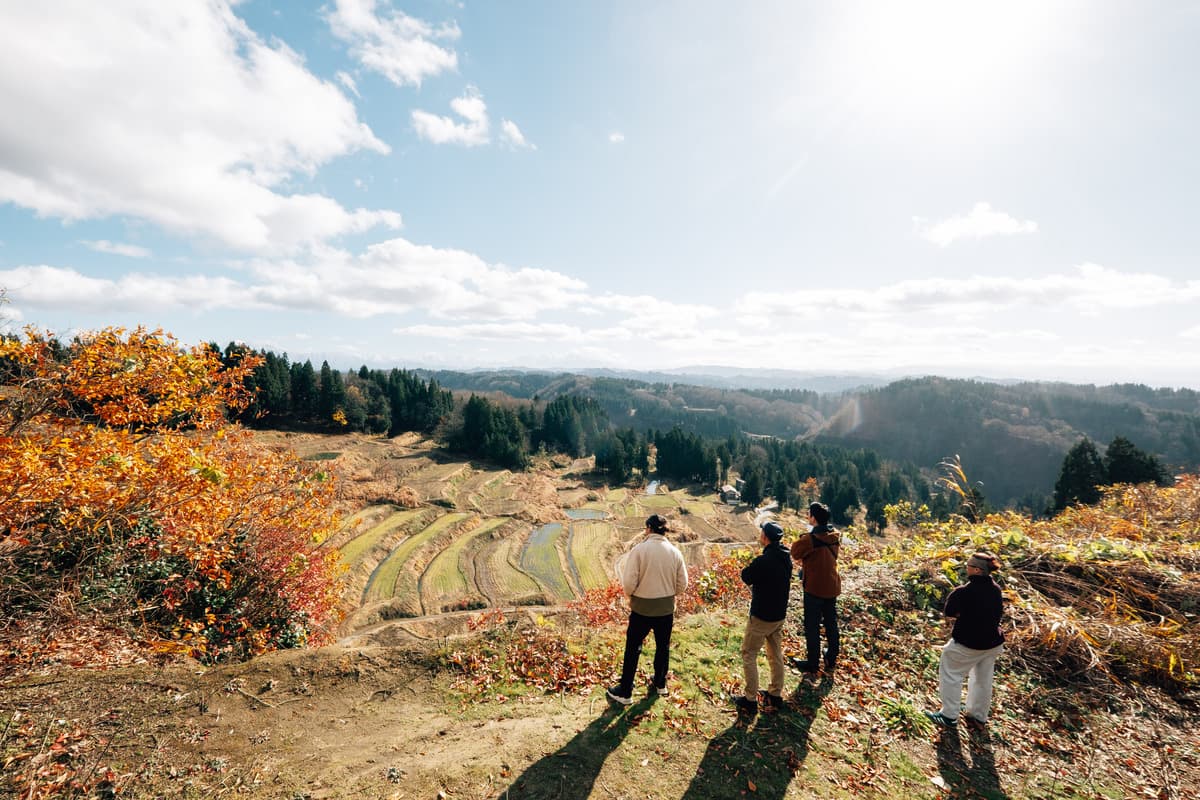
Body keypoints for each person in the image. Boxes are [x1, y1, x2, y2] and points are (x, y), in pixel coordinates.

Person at [606, 514, 689, 705]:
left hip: (641, 608)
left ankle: (625, 691)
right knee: (663, 646)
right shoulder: (674, 552)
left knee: (633, 648)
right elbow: (682, 584)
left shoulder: (639, 550)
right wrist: (668, 594)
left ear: (649, 528)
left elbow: (629, 583)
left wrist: (633, 595)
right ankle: (660, 684)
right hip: (666, 609)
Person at [925, 551, 1005, 730]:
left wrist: (965, 615)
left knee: (951, 674)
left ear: (977, 570)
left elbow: (950, 612)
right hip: (993, 642)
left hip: (968, 643)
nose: (966, 568)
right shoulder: (996, 589)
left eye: (968, 565)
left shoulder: (963, 592)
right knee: (983, 679)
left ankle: (949, 715)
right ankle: (978, 716)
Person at [732, 520, 793, 715]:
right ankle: (775, 694)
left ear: (765, 537)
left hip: (761, 616)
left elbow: (746, 576)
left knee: (749, 653)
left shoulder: (763, 561)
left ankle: (750, 699)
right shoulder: (786, 557)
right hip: (778, 615)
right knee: (775, 653)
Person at [790, 502, 841, 678]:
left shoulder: (810, 539)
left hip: (814, 588)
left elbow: (795, 552)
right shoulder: (834, 536)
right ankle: (831, 658)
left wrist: (807, 535)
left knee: (812, 626)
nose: (807, 516)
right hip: (832, 586)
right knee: (831, 623)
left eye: (809, 514)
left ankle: (812, 663)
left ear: (813, 518)